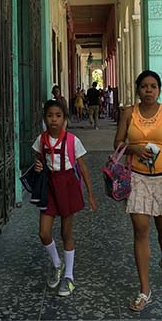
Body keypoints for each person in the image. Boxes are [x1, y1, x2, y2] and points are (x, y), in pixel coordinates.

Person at [113, 70, 162, 312]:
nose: (148, 90)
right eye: (144, 86)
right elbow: (117, 143)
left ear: (159, 90)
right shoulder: (128, 113)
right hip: (138, 179)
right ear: (138, 89)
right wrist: (133, 148)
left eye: (153, 86)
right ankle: (145, 290)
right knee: (141, 231)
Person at [33, 99, 97, 297]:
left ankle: (69, 276)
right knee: (44, 233)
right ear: (45, 118)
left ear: (64, 119)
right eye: (50, 116)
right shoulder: (41, 140)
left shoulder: (72, 140)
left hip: (67, 185)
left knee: (65, 234)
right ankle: (57, 264)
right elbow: (38, 160)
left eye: (58, 116)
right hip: (50, 187)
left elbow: (83, 167)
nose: (54, 119)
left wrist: (91, 194)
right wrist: (38, 166)